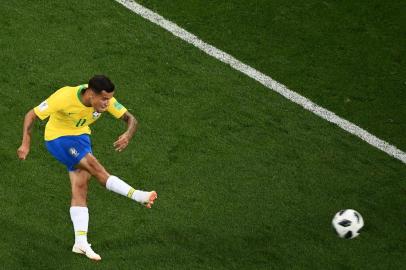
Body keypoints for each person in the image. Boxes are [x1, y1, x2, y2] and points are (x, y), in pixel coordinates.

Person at [17, 75, 157, 261]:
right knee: (96, 168)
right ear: (91, 95)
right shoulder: (64, 97)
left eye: (109, 99)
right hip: (58, 139)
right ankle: (138, 195)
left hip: (81, 137)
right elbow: (31, 114)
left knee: (81, 185)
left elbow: (131, 119)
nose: (108, 103)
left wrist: (128, 135)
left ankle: (80, 242)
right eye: (104, 99)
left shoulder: (105, 98)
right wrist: (26, 143)